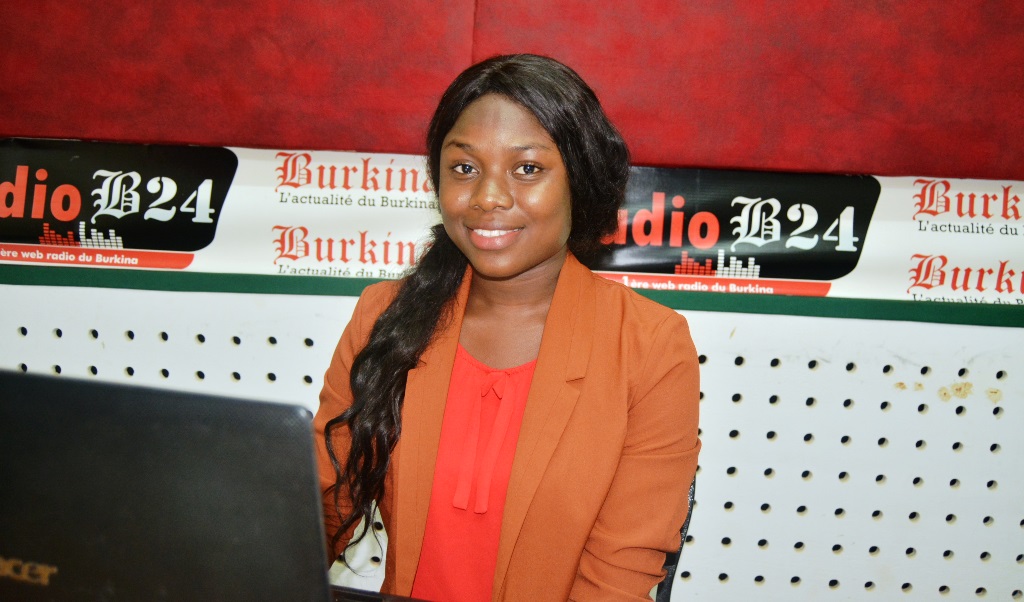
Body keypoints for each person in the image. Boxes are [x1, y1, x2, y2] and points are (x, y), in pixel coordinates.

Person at [314, 54, 700, 601]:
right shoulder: (386, 315)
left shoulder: (649, 346)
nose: (488, 197)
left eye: (527, 169)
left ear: (580, 180)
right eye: (464, 168)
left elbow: (619, 577)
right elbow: (322, 506)